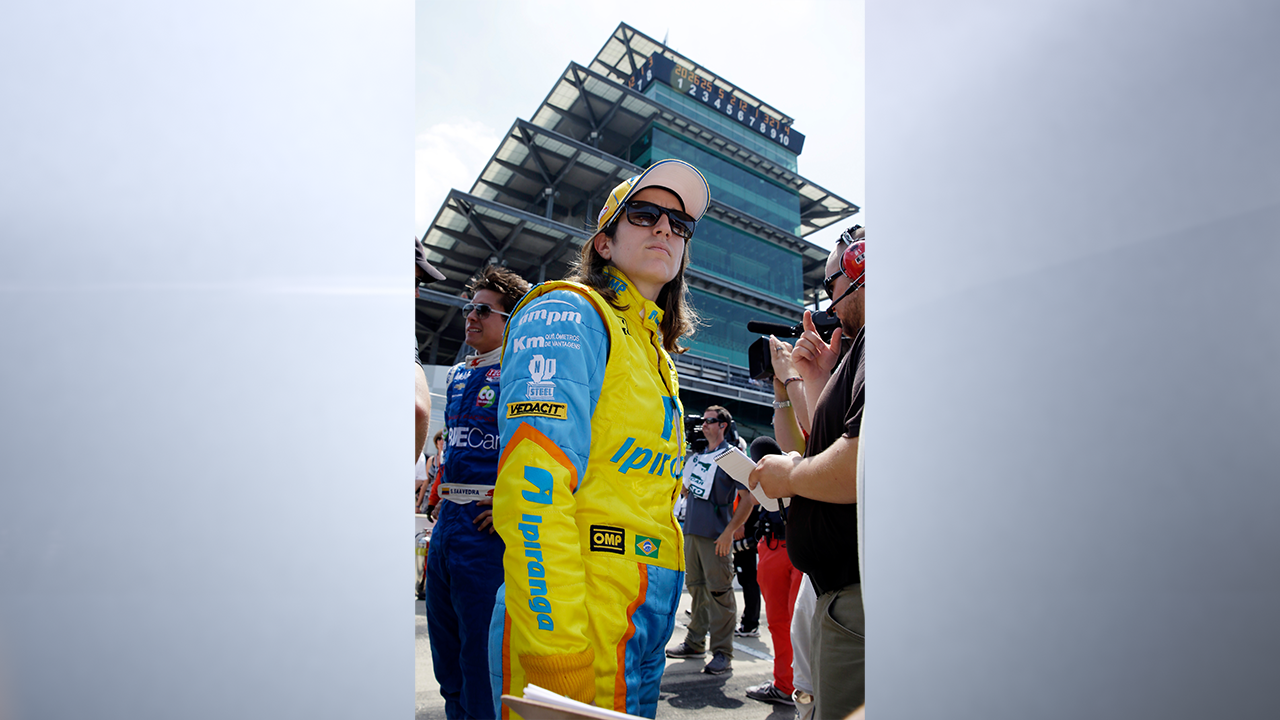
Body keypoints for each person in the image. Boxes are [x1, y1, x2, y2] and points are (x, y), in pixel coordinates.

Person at [489, 159, 709, 718]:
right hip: (577, 614)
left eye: (680, 224)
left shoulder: (657, 352)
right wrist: (555, 653)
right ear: (604, 244)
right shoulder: (569, 311)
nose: (665, 228)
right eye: (645, 214)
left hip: (642, 616)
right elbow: (533, 487)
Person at [749, 225, 865, 719]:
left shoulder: (883, 340)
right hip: (837, 590)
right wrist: (810, 383)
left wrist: (789, 478)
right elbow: (826, 441)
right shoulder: (860, 352)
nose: (829, 304)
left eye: (830, 286)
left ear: (860, 266)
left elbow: (861, 466)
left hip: (855, 594)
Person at [426, 264, 531, 720]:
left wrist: (510, 499)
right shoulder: (455, 375)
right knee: (445, 660)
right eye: (470, 307)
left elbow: (544, 450)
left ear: (511, 321)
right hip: (447, 524)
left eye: (484, 310)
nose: (471, 315)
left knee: (477, 661)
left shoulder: (522, 374)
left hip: (485, 531)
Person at [664, 406, 753, 675]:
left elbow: (748, 498)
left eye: (710, 421)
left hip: (716, 537)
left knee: (719, 593)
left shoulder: (732, 456)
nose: (704, 424)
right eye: (702, 420)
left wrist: (729, 531)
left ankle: (723, 653)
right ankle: (695, 642)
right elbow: (685, 491)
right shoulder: (699, 456)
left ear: (723, 425)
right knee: (697, 589)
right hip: (691, 531)